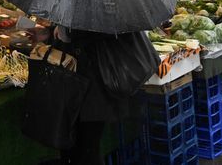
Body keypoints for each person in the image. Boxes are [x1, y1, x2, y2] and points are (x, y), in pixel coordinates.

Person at [54, 27, 153, 165]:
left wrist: (66, 33)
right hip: (82, 83)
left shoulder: (101, 11)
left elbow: (96, 31)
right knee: (77, 147)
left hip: (95, 84)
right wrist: (53, 31)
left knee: (87, 149)